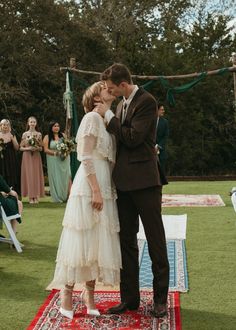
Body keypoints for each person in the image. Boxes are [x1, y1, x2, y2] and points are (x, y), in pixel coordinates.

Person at [95, 63, 169, 318]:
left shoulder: (147, 101)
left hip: (146, 183)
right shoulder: (119, 105)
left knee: (156, 240)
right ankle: (130, 299)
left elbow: (134, 138)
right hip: (123, 185)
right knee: (126, 242)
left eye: (112, 87)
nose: (110, 91)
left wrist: (108, 117)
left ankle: (160, 300)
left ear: (124, 84)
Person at [51, 82, 121, 319]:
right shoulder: (91, 118)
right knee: (81, 238)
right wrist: (96, 190)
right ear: (95, 97)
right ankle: (67, 293)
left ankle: (89, 295)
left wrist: (107, 189)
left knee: (97, 241)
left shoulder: (106, 121)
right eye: (104, 87)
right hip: (90, 185)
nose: (109, 88)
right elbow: (84, 155)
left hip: (106, 183)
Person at [43, 121, 71, 203]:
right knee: (55, 177)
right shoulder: (47, 137)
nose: (56, 127)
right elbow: (46, 149)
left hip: (64, 159)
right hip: (53, 159)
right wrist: (56, 153)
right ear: (51, 127)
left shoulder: (63, 135)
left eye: (58, 126)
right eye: (54, 126)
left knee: (66, 176)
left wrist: (66, 152)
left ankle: (67, 196)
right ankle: (57, 197)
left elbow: (68, 146)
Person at [20, 116, 45, 204]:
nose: (32, 124)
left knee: (35, 175)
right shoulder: (25, 134)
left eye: (34, 122)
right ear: (28, 123)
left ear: (36, 123)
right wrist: (28, 148)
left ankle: (36, 196)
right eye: (31, 122)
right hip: (27, 156)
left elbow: (41, 148)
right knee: (29, 175)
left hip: (36, 156)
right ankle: (31, 197)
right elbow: (21, 148)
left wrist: (36, 148)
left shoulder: (39, 134)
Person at [0, 119, 21, 196]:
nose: (5, 126)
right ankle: (2, 193)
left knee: (11, 174)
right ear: (1, 126)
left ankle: (13, 194)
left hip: (11, 158)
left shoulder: (12, 134)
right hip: (1, 159)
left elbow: (17, 148)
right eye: (4, 124)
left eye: (7, 124)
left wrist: (12, 138)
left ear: (9, 126)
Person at [156, 104, 169, 175]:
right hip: (149, 149)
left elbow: (165, 136)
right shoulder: (149, 121)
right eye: (161, 109)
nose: (163, 111)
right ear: (156, 110)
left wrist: (158, 146)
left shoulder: (165, 122)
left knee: (161, 171)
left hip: (161, 151)